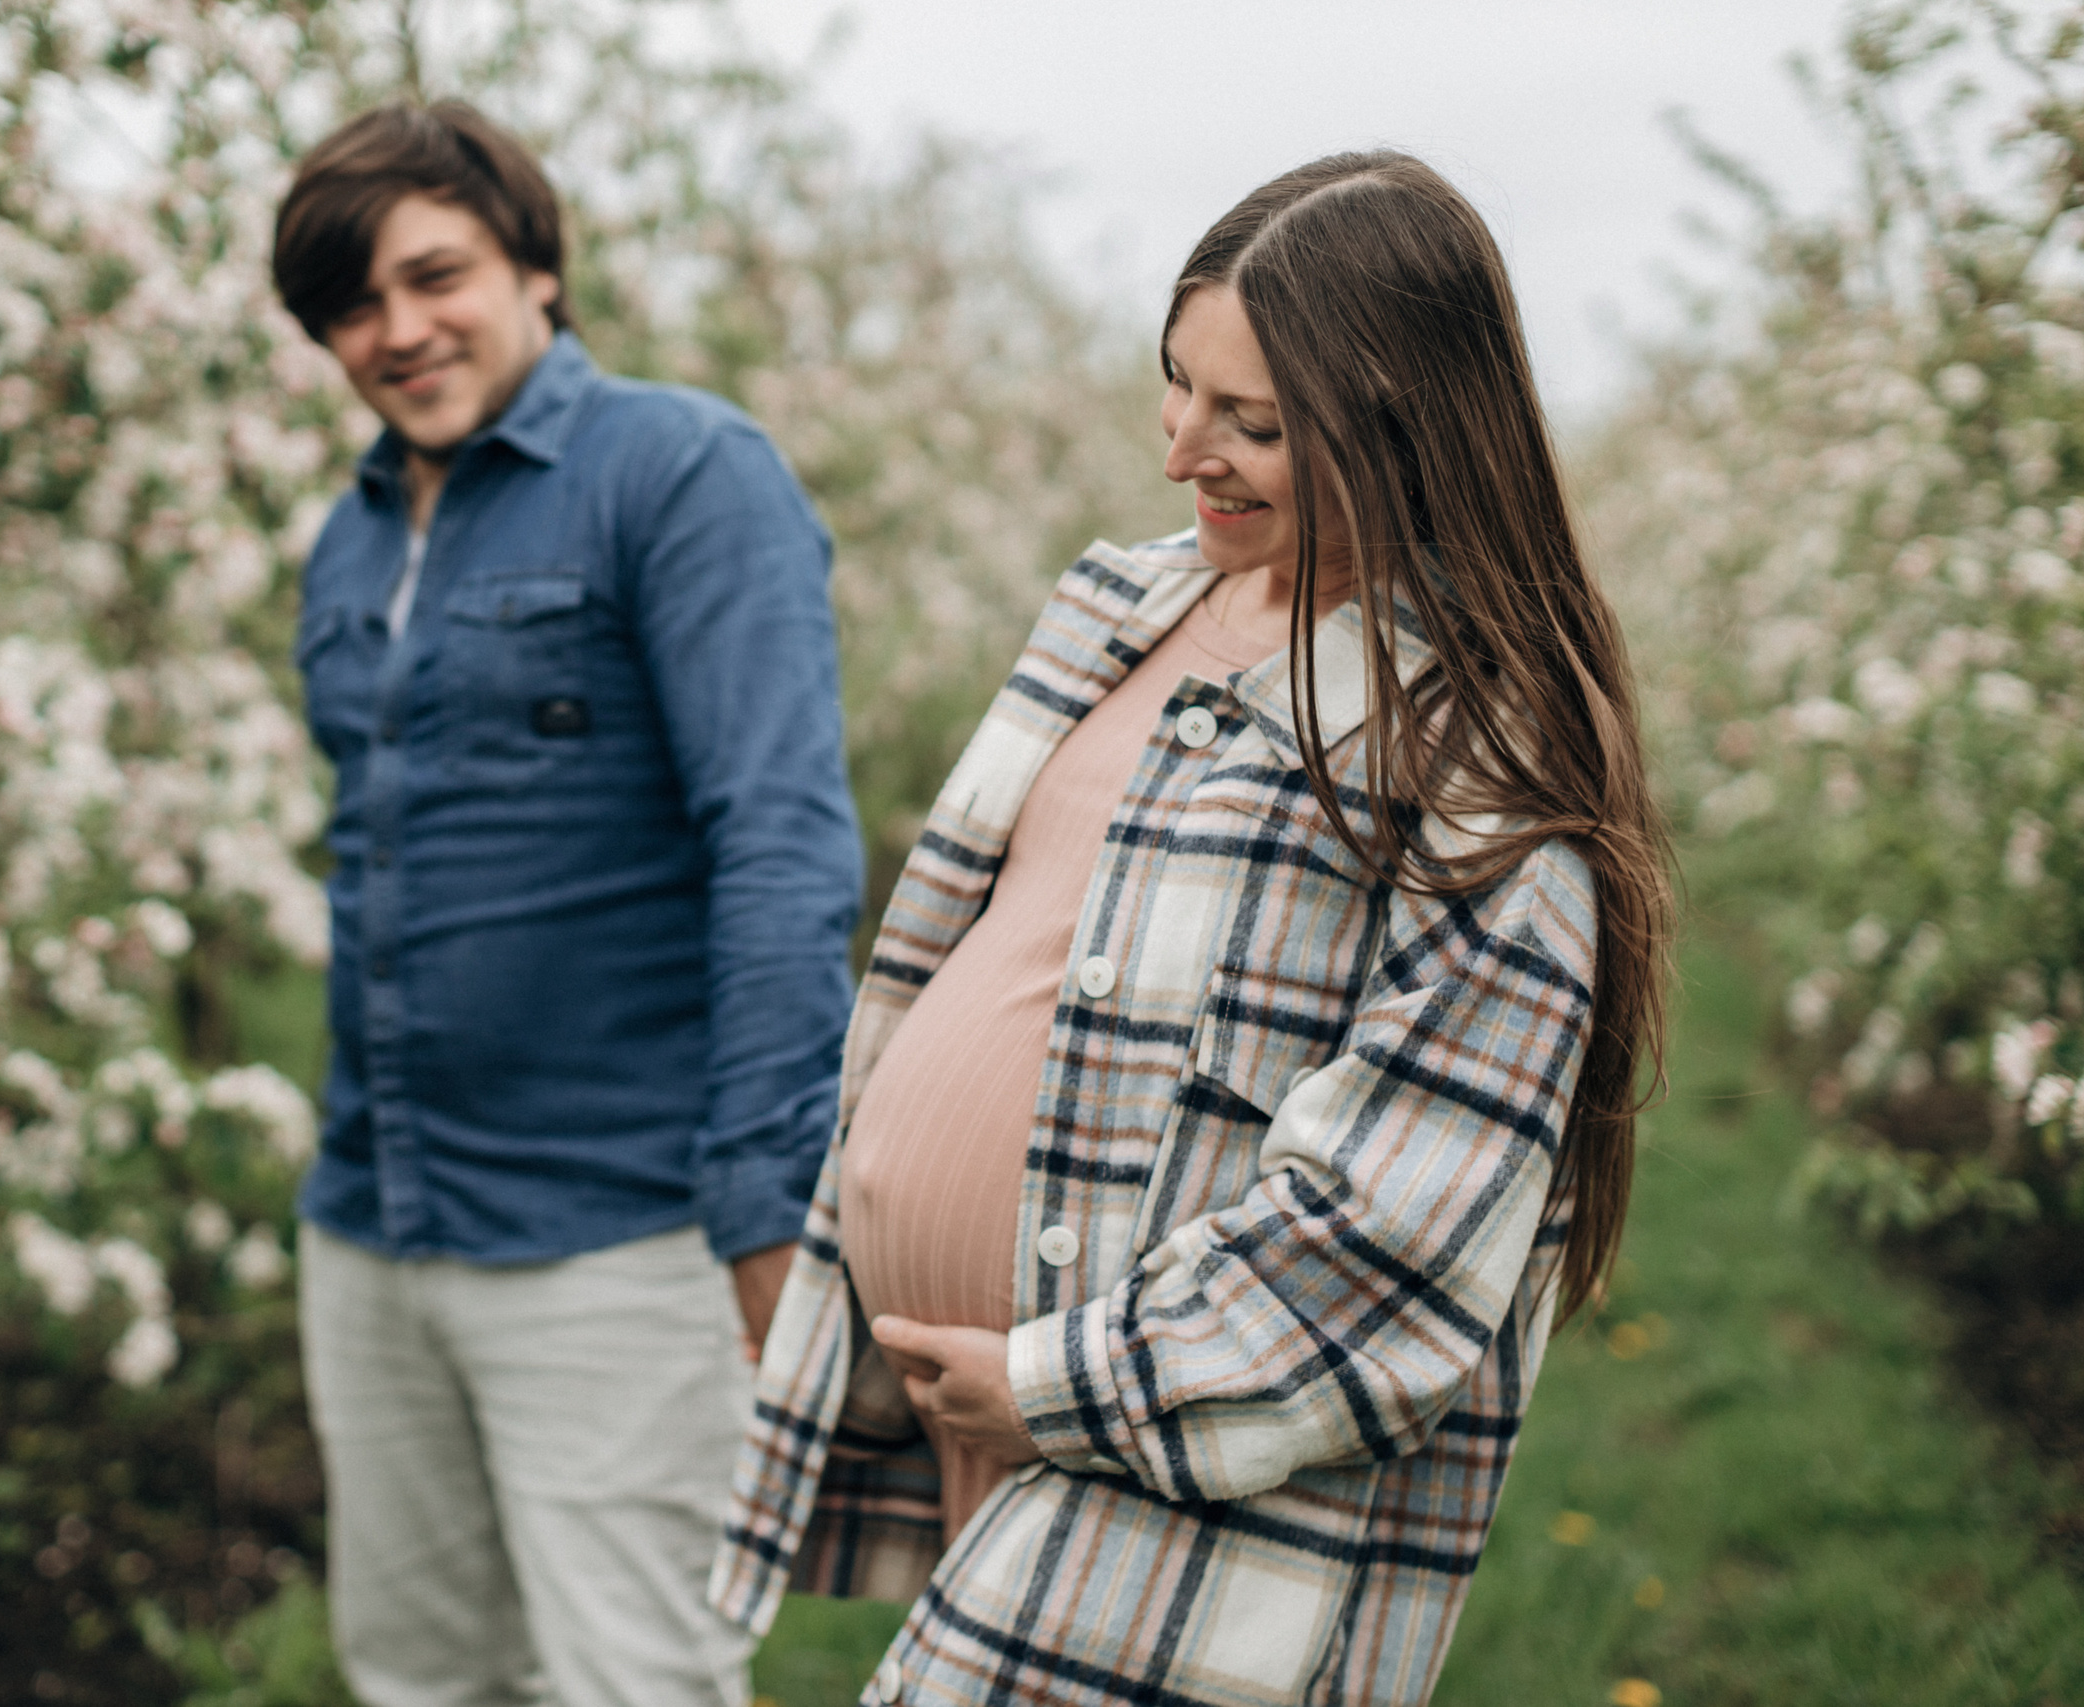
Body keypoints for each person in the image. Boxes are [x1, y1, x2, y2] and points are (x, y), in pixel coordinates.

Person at [713, 151, 1673, 1707]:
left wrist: (1057, 1386)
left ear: (1408, 427)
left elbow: (1400, 1236)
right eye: (1177, 386)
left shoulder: (1480, 767)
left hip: (1177, 1457)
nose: (1180, 453)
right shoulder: (1124, 609)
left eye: (1254, 425)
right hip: (985, 1413)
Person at [272, 100, 861, 1707]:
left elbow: (780, 843)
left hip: (619, 1228)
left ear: (534, 264)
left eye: (435, 276)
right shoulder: (348, 542)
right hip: (376, 1218)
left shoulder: (680, 473)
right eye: (352, 305)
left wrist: (767, 1201)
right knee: (421, 1677)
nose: (398, 331)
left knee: (633, 1680)